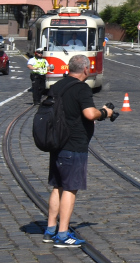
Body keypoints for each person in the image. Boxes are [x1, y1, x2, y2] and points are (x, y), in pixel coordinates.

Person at [43, 54, 116, 247]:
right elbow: (89, 114)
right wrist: (105, 113)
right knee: (70, 188)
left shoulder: (57, 86)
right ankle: (63, 233)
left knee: (57, 186)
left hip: (56, 142)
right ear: (85, 69)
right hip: (74, 145)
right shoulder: (82, 88)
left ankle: (50, 229)